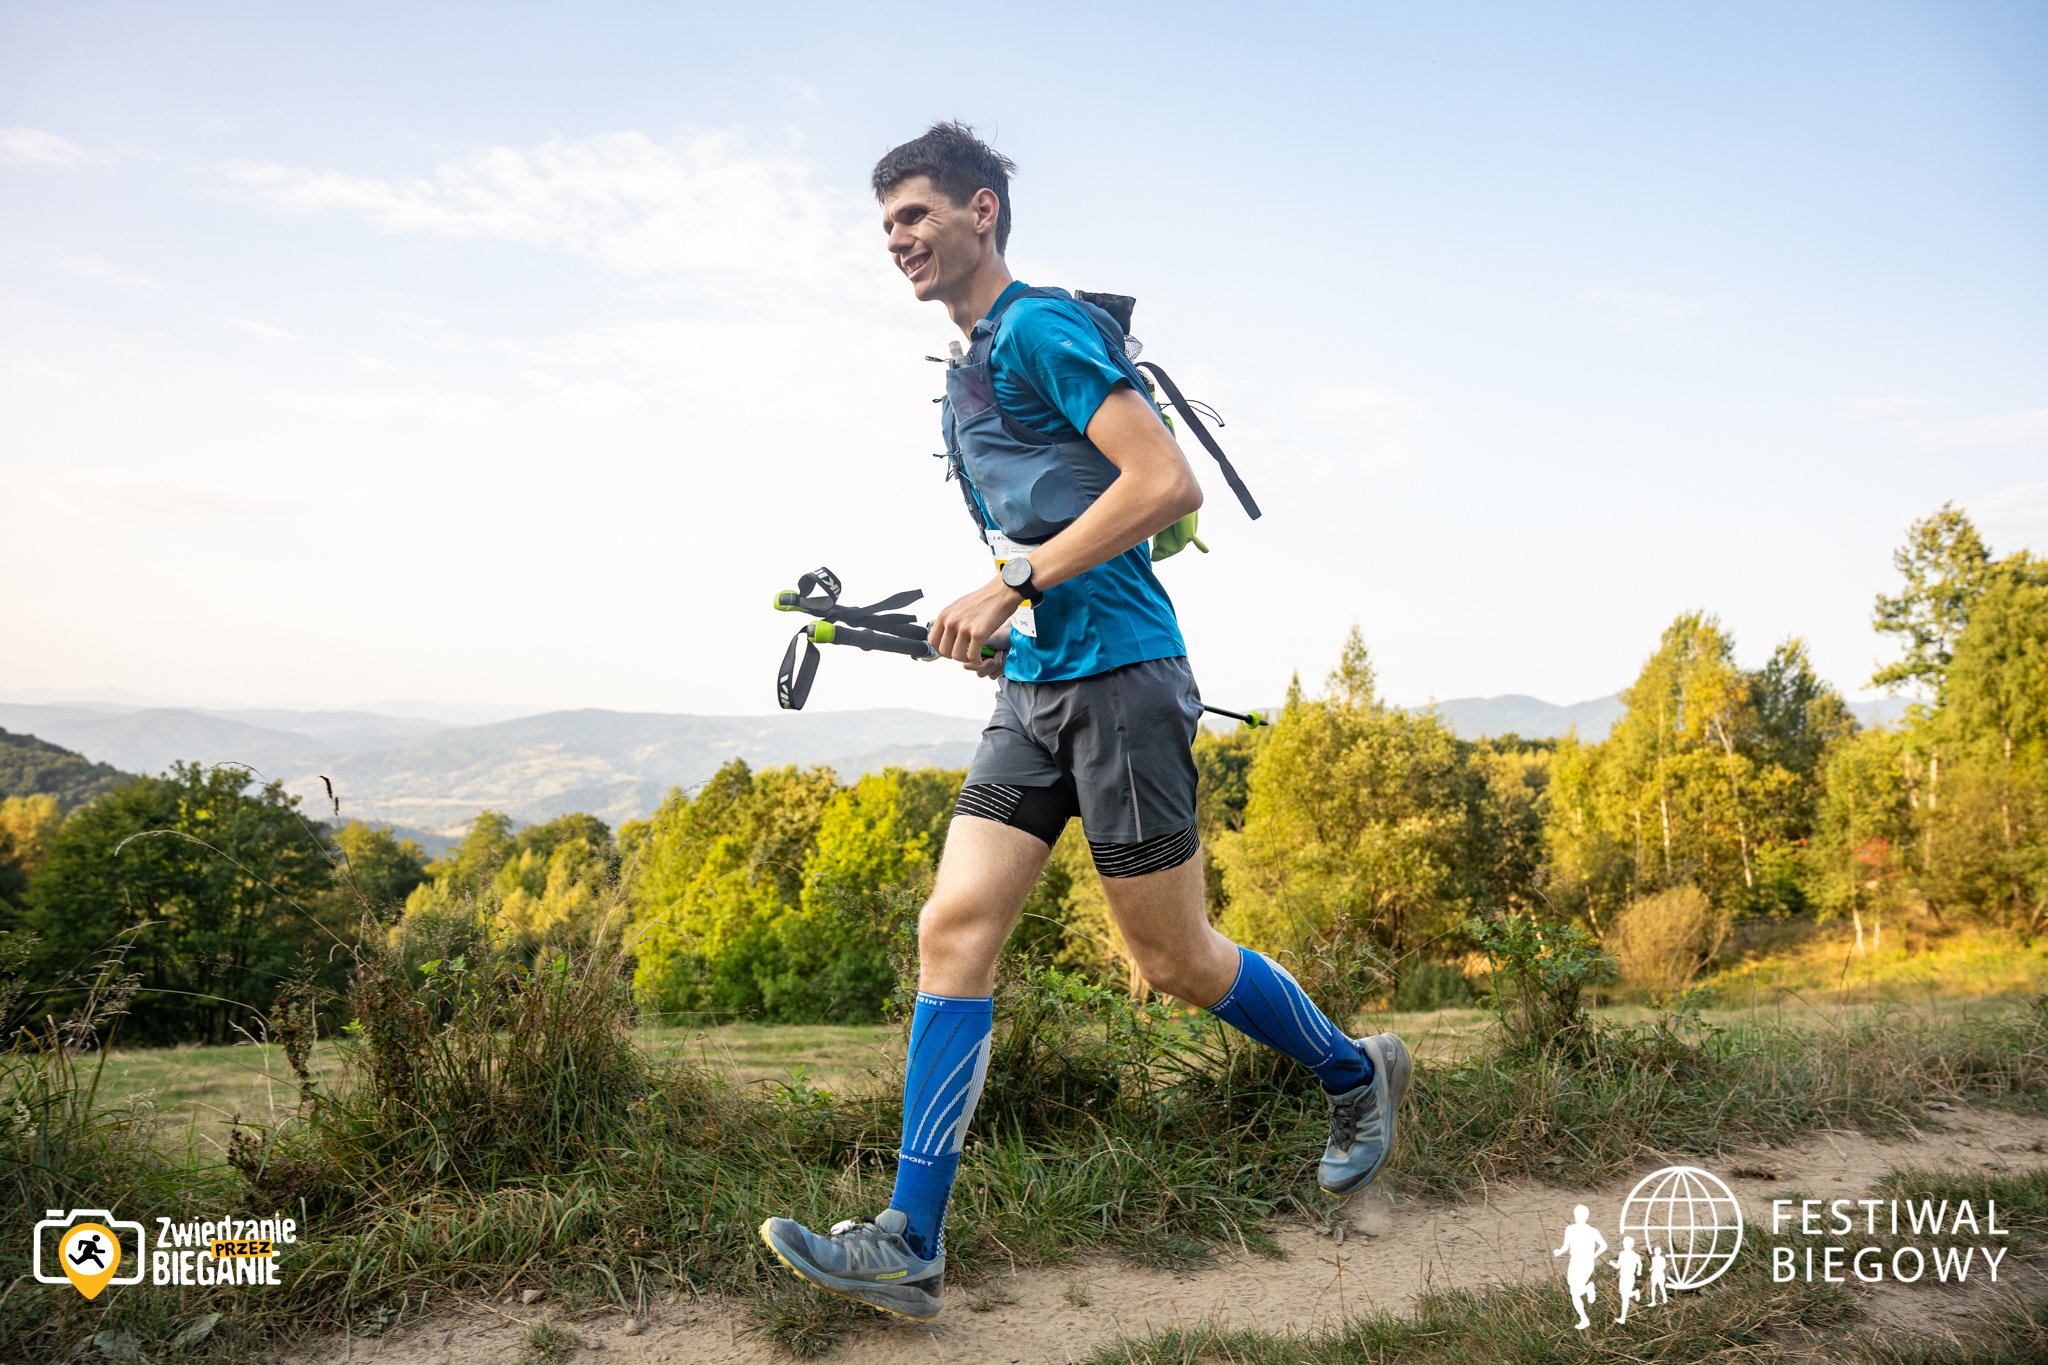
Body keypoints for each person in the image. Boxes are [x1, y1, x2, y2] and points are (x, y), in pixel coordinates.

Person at [757, 122, 1412, 1324]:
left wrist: (1010, 585)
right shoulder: (966, 366)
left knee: (1172, 960)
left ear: (981, 211)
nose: (897, 239)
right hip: (1036, 688)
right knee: (952, 927)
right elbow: (1051, 522)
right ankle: (909, 1241)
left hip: (1122, 686)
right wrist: (1001, 618)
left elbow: (1163, 484)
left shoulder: (1039, 329)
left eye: (915, 214)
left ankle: (1352, 1069)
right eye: (886, 223)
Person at [1553, 1205, 1608, 1331]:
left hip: (1582, 1261)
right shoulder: (1582, 1230)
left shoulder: (1576, 1229)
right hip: (1578, 1261)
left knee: (1575, 1292)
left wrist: (1593, 1255)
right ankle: (1584, 1318)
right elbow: (1565, 1246)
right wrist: (1559, 1252)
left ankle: (1588, 1292)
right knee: (1574, 1291)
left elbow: (1603, 1245)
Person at [1609, 1235, 1643, 1324]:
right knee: (1624, 1295)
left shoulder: (1624, 1254)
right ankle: (1635, 1293)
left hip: (1627, 1277)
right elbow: (1640, 1264)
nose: (1624, 1245)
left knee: (1624, 1297)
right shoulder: (1633, 1255)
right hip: (1626, 1277)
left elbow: (1618, 1266)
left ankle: (1623, 1318)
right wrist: (1639, 1271)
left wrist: (1612, 1263)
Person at [1647, 1243, 1668, 1307]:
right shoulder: (1654, 1259)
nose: (1656, 1252)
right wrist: (1651, 1269)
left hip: (1660, 1273)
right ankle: (1653, 1301)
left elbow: (1664, 1266)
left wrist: (1658, 1268)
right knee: (1653, 1287)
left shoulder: (1662, 1259)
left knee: (1661, 1287)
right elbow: (1653, 1266)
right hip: (1654, 1273)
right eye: (1655, 1251)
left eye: (1657, 1251)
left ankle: (1665, 1299)